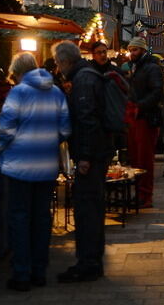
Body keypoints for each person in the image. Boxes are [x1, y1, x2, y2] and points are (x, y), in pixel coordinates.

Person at [0, 52, 70, 292]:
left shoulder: (18, 93)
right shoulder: (56, 92)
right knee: (41, 219)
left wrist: (0, 148)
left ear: (17, 72)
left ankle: (21, 274)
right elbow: (65, 128)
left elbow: (6, 129)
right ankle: (39, 271)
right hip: (46, 167)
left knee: (19, 219)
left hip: (19, 166)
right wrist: (47, 144)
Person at [53, 40, 114, 282]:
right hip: (99, 151)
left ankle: (88, 263)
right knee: (92, 207)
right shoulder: (87, 76)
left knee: (87, 207)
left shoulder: (84, 80)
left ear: (65, 61)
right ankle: (91, 260)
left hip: (93, 155)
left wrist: (85, 156)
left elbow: (88, 119)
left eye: (58, 63)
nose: (58, 68)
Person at [126, 35, 163, 208]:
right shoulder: (137, 67)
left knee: (144, 158)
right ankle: (139, 192)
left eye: (134, 49)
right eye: (130, 50)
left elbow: (156, 93)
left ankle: (145, 195)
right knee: (136, 158)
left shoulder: (151, 68)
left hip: (146, 118)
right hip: (136, 117)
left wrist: (139, 106)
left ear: (142, 50)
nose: (132, 53)